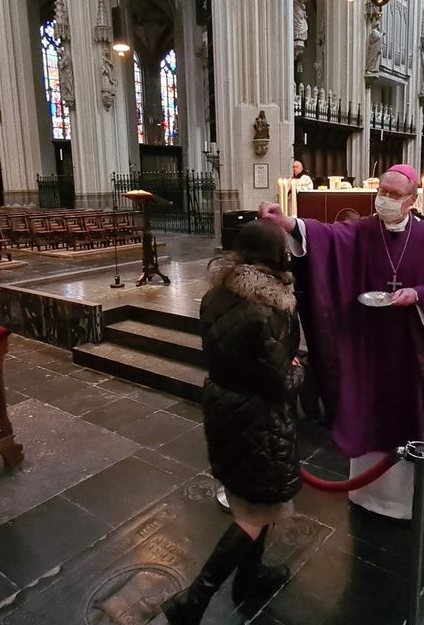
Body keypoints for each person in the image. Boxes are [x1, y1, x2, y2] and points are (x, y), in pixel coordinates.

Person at [258, 164, 424, 520]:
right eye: (382, 191)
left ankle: (409, 499)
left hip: (414, 350)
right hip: (372, 347)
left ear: (412, 200)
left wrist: (418, 294)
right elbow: (328, 236)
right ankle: (369, 494)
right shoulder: (364, 230)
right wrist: (288, 223)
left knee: (412, 414)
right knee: (371, 413)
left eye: (394, 194)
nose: (385, 199)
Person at [162, 220, 302, 623]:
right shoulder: (269, 309)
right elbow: (278, 381)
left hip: (224, 405)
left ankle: (249, 577)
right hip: (258, 416)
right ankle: (194, 600)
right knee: (255, 512)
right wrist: (298, 371)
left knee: (252, 496)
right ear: (276, 255)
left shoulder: (216, 294)